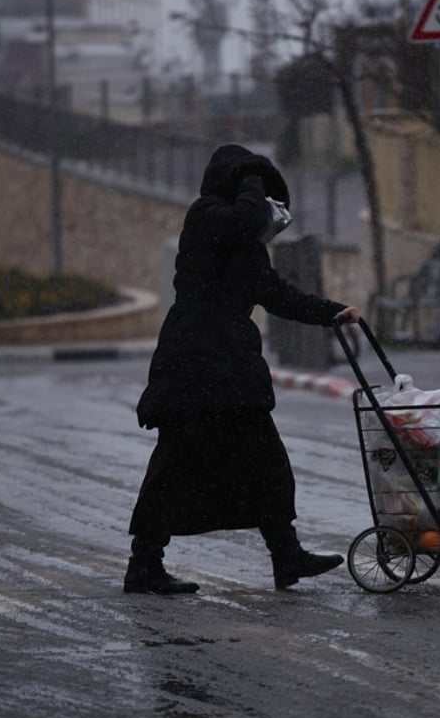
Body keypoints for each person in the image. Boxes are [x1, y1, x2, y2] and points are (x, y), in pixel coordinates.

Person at [125, 144, 361, 595]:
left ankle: (286, 556)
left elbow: (278, 294)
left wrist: (334, 312)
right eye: (258, 194)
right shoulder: (207, 217)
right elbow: (243, 220)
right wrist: (252, 175)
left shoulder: (245, 248)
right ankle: (143, 564)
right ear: (237, 187)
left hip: (229, 371)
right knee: (172, 468)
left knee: (265, 462)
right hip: (192, 364)